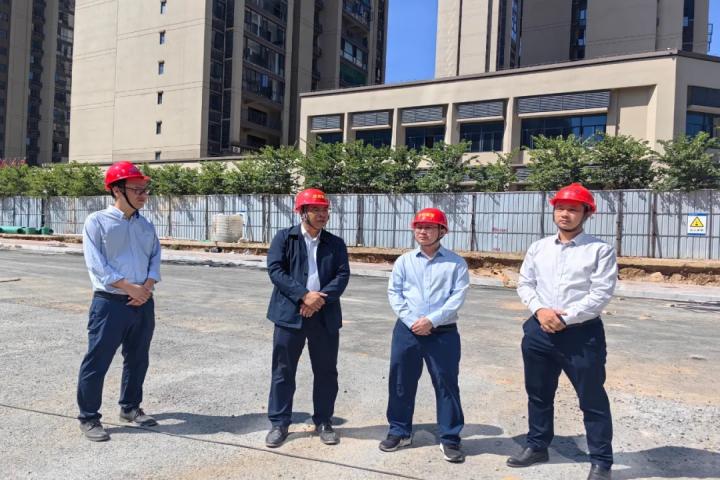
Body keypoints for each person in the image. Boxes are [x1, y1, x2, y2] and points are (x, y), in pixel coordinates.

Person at [508, 183, 618, 480]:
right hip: (539, 330)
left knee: (591, 399)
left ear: (587, 213)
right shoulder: (539, 248)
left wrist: (565, 319)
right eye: (560, 208)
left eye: (572, 209)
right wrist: (540, 311)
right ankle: (537, 445)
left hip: (581, 335)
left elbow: (600, 293)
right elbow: (525, 283)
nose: (565, 214)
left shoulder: (599, 250)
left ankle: (601, 461)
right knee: (538, 393)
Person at [76, 161, 161, 442]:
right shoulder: (97, 222)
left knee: (138, 358)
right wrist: (129, 287)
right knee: (98, 359)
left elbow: (155, 258)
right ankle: (89, 417)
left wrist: (146, 287)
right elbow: (96, 264)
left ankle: (130, 407)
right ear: (116, 190)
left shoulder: (146, 225)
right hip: (110, 302)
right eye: (137, 189)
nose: (143, 195)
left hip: (143, 302)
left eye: (145, 190)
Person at [379, 207, 470, 463]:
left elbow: (457, 297)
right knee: (401, 382)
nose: (423, 231)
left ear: (442, 231)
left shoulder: (456, 263)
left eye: (429, 227)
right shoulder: (404, 261)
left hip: (443, 333)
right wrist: (413, 321)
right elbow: (395, 293)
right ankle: (399, 431)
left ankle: (450, 437)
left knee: (446, 383)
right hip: (407, 331)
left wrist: (431, 320)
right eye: (419, 227)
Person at [265, 188, 350, 448]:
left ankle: (324, 421)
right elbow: (276, 270)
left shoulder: (335, 243)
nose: (322, 214)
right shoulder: (284, 238)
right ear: (302, 212)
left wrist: (318, 300)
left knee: (326, 371)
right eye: (316, 210)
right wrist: (303, 296)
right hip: (289, 315)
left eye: (325, 210)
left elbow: (342, 275)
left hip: (324, 316)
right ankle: (280, 423)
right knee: (283, 370)